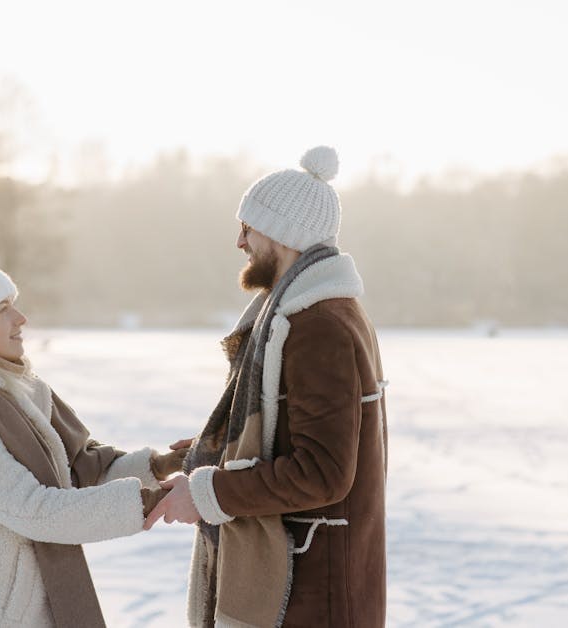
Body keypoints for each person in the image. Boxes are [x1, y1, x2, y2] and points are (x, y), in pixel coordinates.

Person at [145, 146, 389, 627]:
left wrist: (209, 493)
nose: (240, 241)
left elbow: (322, 472)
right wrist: (218, 450)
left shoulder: (319, 326)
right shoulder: (310, 314)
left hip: (314, 593)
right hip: (308, 587)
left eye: (248, 227)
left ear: (283, 233)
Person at [0, 240, 187, 628]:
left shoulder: (22, 392)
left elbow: (77, 473)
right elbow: (33, 509)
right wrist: (149, 502)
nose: (21, 318)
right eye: (3, 310)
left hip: (42, 607)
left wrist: (165, 464)